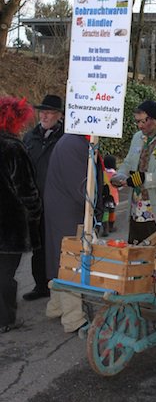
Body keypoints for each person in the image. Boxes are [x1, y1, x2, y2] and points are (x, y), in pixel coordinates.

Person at [44, 134, 103, 333]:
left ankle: (56, 306)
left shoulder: (69, 141)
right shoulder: (75, 144)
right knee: (72, 263)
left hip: (60, 208)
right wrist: (95, 208)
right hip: (69, 213)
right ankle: (73, 318)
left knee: (59, 259)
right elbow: (83, 189)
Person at [111, 100, 156, 244]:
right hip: (135, 209)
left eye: (143, 121)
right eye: (137, 122)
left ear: (154, 119)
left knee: (154, 259)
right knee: (135, 256)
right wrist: (120, 175)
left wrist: (145, 178)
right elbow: (128, 162)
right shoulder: (137, 138)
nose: (140, 125)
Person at [0, 96, 41, 333]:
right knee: (5, 273)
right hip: (10, 225)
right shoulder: (13, 148)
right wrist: (35, 214)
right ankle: (5, 319)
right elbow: (26, 191)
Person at [22, 94, 64, 301]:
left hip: (57, 201)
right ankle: (40, 285)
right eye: (42, 111)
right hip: (34, 200)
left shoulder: (65, 138)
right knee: (37, 245)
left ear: (59, 115)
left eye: (49, 112)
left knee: (56, 244)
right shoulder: (30, 137)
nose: (44, 116)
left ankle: (57, 283)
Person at [101, 154, 119, 237]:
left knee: (105, 212)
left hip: (104, 195)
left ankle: (105, 229)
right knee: (112, 212)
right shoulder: (114, 173)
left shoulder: (103, 172)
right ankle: (111, 227)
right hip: (113, 196)